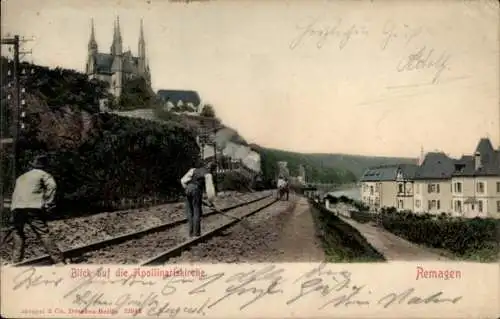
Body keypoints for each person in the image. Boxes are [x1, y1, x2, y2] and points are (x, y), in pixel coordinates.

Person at [8, 155, 66, 264]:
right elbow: (52, 186)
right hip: (32, 207)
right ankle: (58, 261)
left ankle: (15, 262)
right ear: (45, 166)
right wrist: (48, 202)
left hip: (16, 207)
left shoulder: (21, 176)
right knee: (43, 233)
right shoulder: (43, 174)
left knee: (17, 232)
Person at [180, 160, 217, 237]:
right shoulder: (208, 174)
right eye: (214, 170)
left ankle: (190, 233)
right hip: (196, 189)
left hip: (187, 189)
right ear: (212, 169)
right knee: (197, 211)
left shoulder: (193, 170)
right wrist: (211, 202)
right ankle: (196, 234)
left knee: (190, 212)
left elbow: (182, 180)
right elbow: (209, 190)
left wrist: (188, 189)